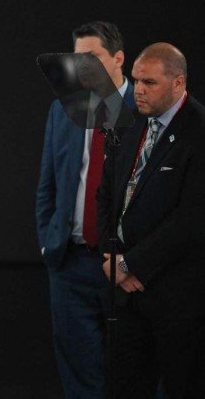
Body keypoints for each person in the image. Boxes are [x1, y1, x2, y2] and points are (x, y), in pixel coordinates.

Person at [98, 43, 205, 398]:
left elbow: (190, 219)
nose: (138, 89)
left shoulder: (198, 130)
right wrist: (111, 260)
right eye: (135, 80)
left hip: (177, 299)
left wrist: (133, 264)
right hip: (126, 296)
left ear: (178, 84)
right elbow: (107, 195)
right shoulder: (128, 122)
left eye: (149, 82)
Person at [35, 21, 134, 398]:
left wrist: (133, 260)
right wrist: (48, 242)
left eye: (92, 57)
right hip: (70, 262)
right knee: (79, 374)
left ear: (118, 59)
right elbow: (48, 183)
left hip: (125, 266)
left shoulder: (144, 111)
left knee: (134, 371)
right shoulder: (63, 111)